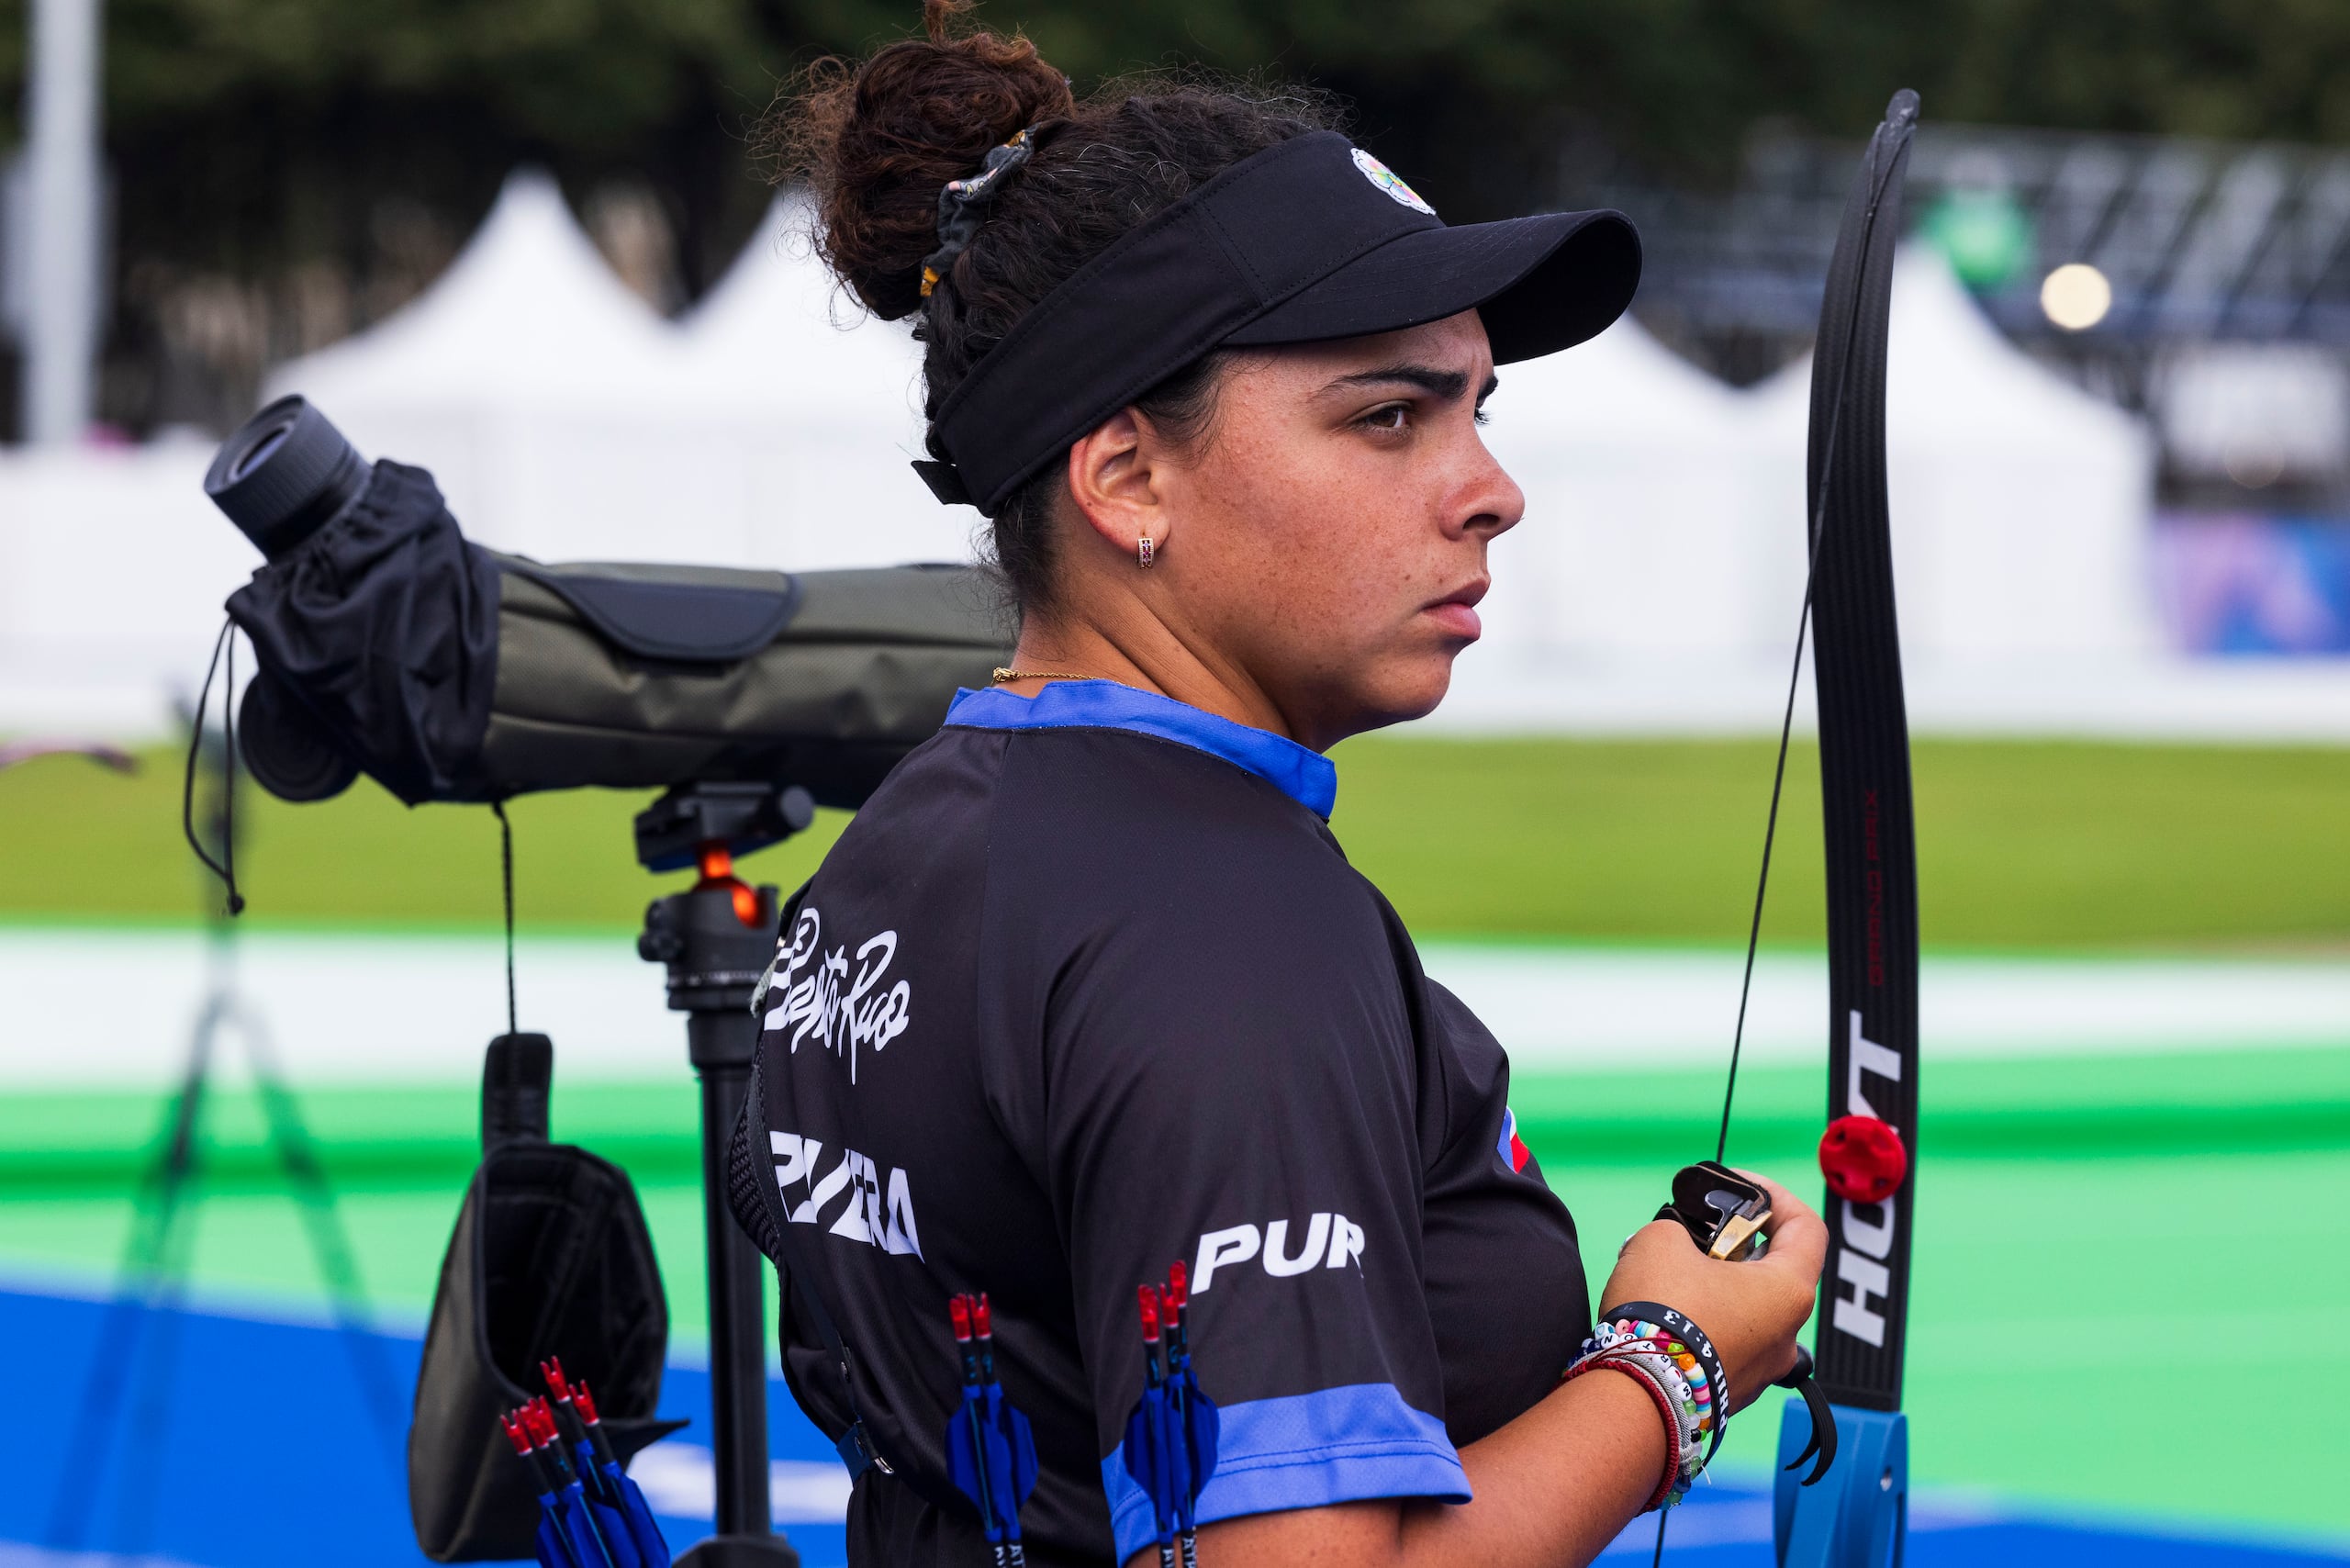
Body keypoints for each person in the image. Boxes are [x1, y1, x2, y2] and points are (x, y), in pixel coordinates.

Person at [727, 5, 1829, 1564]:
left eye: (1476, 409)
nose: (1491, 492)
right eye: (1387, 416)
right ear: (1125, 478)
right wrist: (1672, 1366)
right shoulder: (1225, 936)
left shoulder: (905, 840)